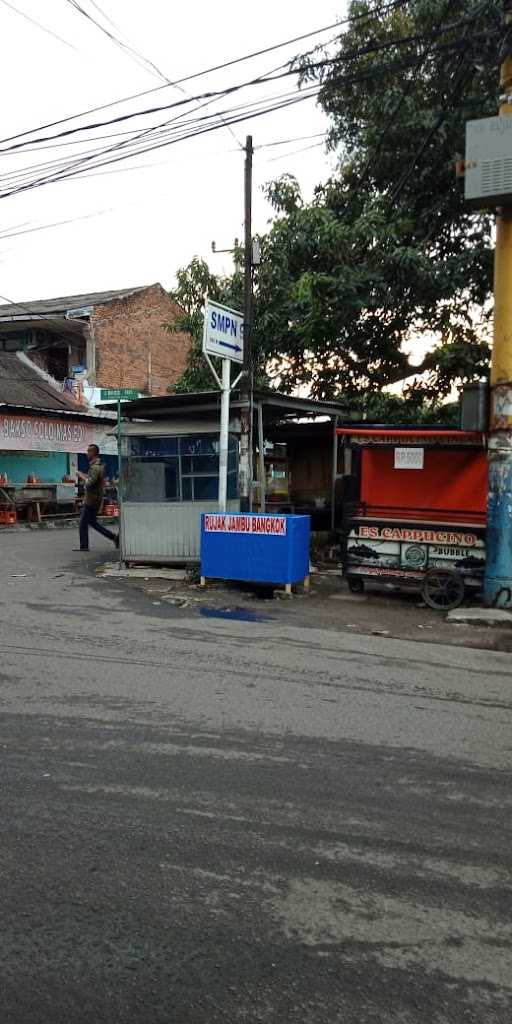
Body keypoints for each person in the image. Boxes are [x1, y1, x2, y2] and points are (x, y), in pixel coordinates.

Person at [75, 444, 119, 551]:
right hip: (94, 499)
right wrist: (84, 475)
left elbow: (90, 483)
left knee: (83, 524)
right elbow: (92, 479)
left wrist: (81, 476)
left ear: (94, 453)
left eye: (89, 451)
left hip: (91, 500)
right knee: (92, 523)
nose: (87, 453)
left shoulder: (95, 467)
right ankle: (113, 537)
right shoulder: (96, 466)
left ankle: (84, 546)